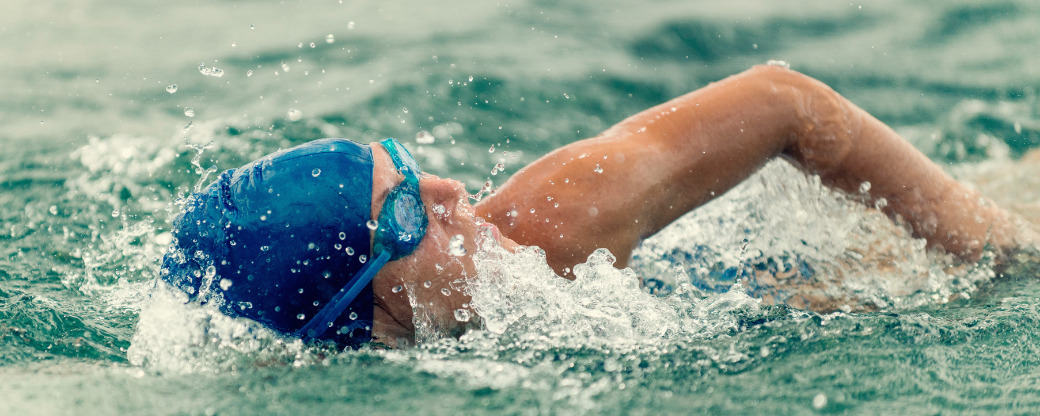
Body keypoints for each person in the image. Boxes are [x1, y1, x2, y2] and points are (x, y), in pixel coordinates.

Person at [160, 64, 1029, 349]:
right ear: (371, 316)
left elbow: (786, 99)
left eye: (407, 167)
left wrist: (996, 243)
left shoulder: (545, 231)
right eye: (407, 219)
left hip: (904, 236)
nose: (453, 194)